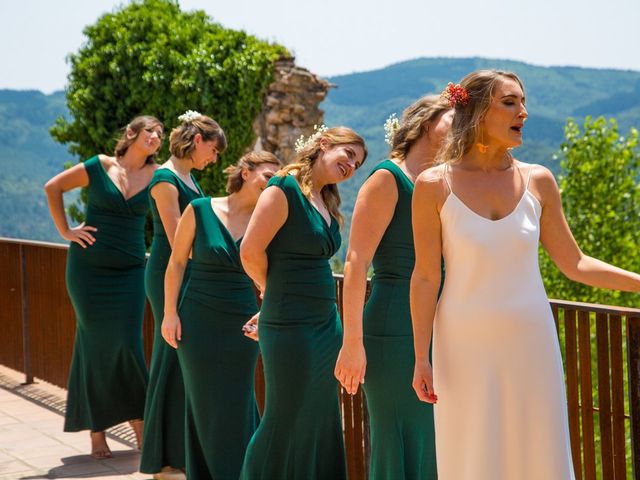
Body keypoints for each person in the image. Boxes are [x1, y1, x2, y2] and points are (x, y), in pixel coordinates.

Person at [410, 70, 640, 480]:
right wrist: (420, 357)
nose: (524, 113)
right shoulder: (434, 185)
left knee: (539, 451)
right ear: (478, 110)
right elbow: (426, 277)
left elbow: (575, 263)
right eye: (510, 102)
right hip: (463, 344)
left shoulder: (538, 180)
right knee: (473, 452)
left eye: (523, 102)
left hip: (532, 341)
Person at [239, 127, 367, 480]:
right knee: (285, 415)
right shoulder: (284, 188)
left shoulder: (325, 200)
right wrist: (272, 295)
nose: (352, 165)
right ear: (323, 144)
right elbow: (250, 252)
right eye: (349, 154)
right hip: (290, 323)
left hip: (326, 323)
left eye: (357, 162)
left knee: (322, 416)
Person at [334, 96, 452, 479]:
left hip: (443, 324)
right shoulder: (387, 178)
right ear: (425, 121)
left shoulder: (446, 183)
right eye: (455, 116)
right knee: (399, 435)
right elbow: (355, 264)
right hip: (392, 326)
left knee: (437, 436)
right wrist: (352, 343)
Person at [44, 115, 164, 459]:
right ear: (131, 134)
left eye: (160, 133)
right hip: (88, 271)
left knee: (126, 344)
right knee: (95, 346)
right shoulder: (99, 166)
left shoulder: (158, 177)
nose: (156, 137)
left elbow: (177, 213)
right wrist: (65, 231)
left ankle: (137, 420)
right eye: (150, 131)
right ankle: (98, 433)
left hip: (129, 272)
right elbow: (53, 187)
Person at [161, 151, 281, 480]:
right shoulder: (199, 209)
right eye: (266, 175)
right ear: (245, 171)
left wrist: (264, 312)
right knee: (201, 403)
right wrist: (169, 313)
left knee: (237, 399)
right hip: (196, 319)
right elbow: (176, 263)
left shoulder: (269, 220)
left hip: (243, 322)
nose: (270, 183)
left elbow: (275, 276)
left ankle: (244, 472)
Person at [140, 111, 226, 478]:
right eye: (214, 149)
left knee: (184, 358)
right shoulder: (164, 180)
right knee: (170, 355)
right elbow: (179, 241)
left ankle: (183, 451)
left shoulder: (189, 178)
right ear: (197, 141)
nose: (216, 157)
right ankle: (163, 458)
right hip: (168, 274)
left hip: (192, 272)